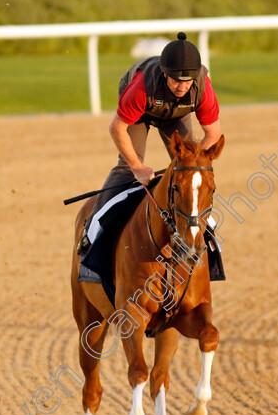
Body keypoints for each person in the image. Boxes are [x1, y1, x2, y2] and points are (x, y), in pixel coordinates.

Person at [78, 32, 223, 255]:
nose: (181, 88)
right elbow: (116, 128)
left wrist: (190, 166)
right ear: (165, 75)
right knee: (126, 167)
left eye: (187, 82)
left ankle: (207, 232)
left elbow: (213, 135)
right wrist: (138, 168)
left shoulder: (203, 88)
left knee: (190, 170)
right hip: (140, 113)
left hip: (176, 115)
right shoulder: (140, 87)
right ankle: (93, 229)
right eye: (175, 81)